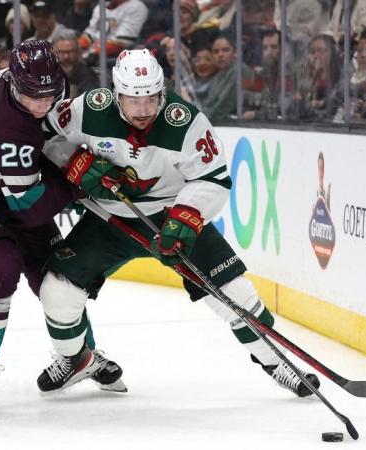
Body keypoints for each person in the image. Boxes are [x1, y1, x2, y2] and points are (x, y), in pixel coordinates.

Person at [35, 49, 320, 397]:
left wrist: (185, 216)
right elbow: (45, 136)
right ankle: (75, 359)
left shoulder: (185, 121)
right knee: (56, 290)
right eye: (132, 100)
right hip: (109, 218)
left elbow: (212, 178)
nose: (142, 110)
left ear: (162, 90)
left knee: (235, 292)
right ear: (115, 93)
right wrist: (72, 161)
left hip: (170, 216)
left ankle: (279, 363)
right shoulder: (88, 109)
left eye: (151, 99)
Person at [0, 40, 125, 408]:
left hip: (1, 178)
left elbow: (48, 141)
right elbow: (29, 209)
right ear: (13, 83)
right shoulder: (5, 126)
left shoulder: (39, 89)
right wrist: (77, 184)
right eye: (33, 95)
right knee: (0, 263)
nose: (43, 103)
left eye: (49, 92)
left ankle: (79, 356)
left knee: (56, 274)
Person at [53, 28, 98, 98]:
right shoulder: (47, 74)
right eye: (61, 52)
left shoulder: (88, 76)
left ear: (78, 53)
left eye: (70, 52)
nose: (66, 57)